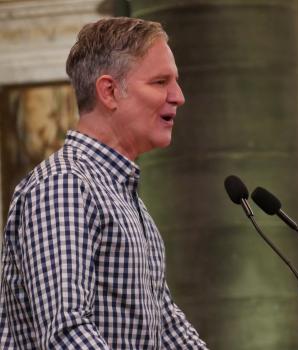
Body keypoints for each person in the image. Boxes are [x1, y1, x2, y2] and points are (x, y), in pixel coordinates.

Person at [0, 17, 208, 349]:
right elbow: (66, 332)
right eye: (160, 82)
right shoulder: (65, 186)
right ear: (109, 91)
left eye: (176, 81)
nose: (178, 96)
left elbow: (168, 328)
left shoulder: (121, 194)